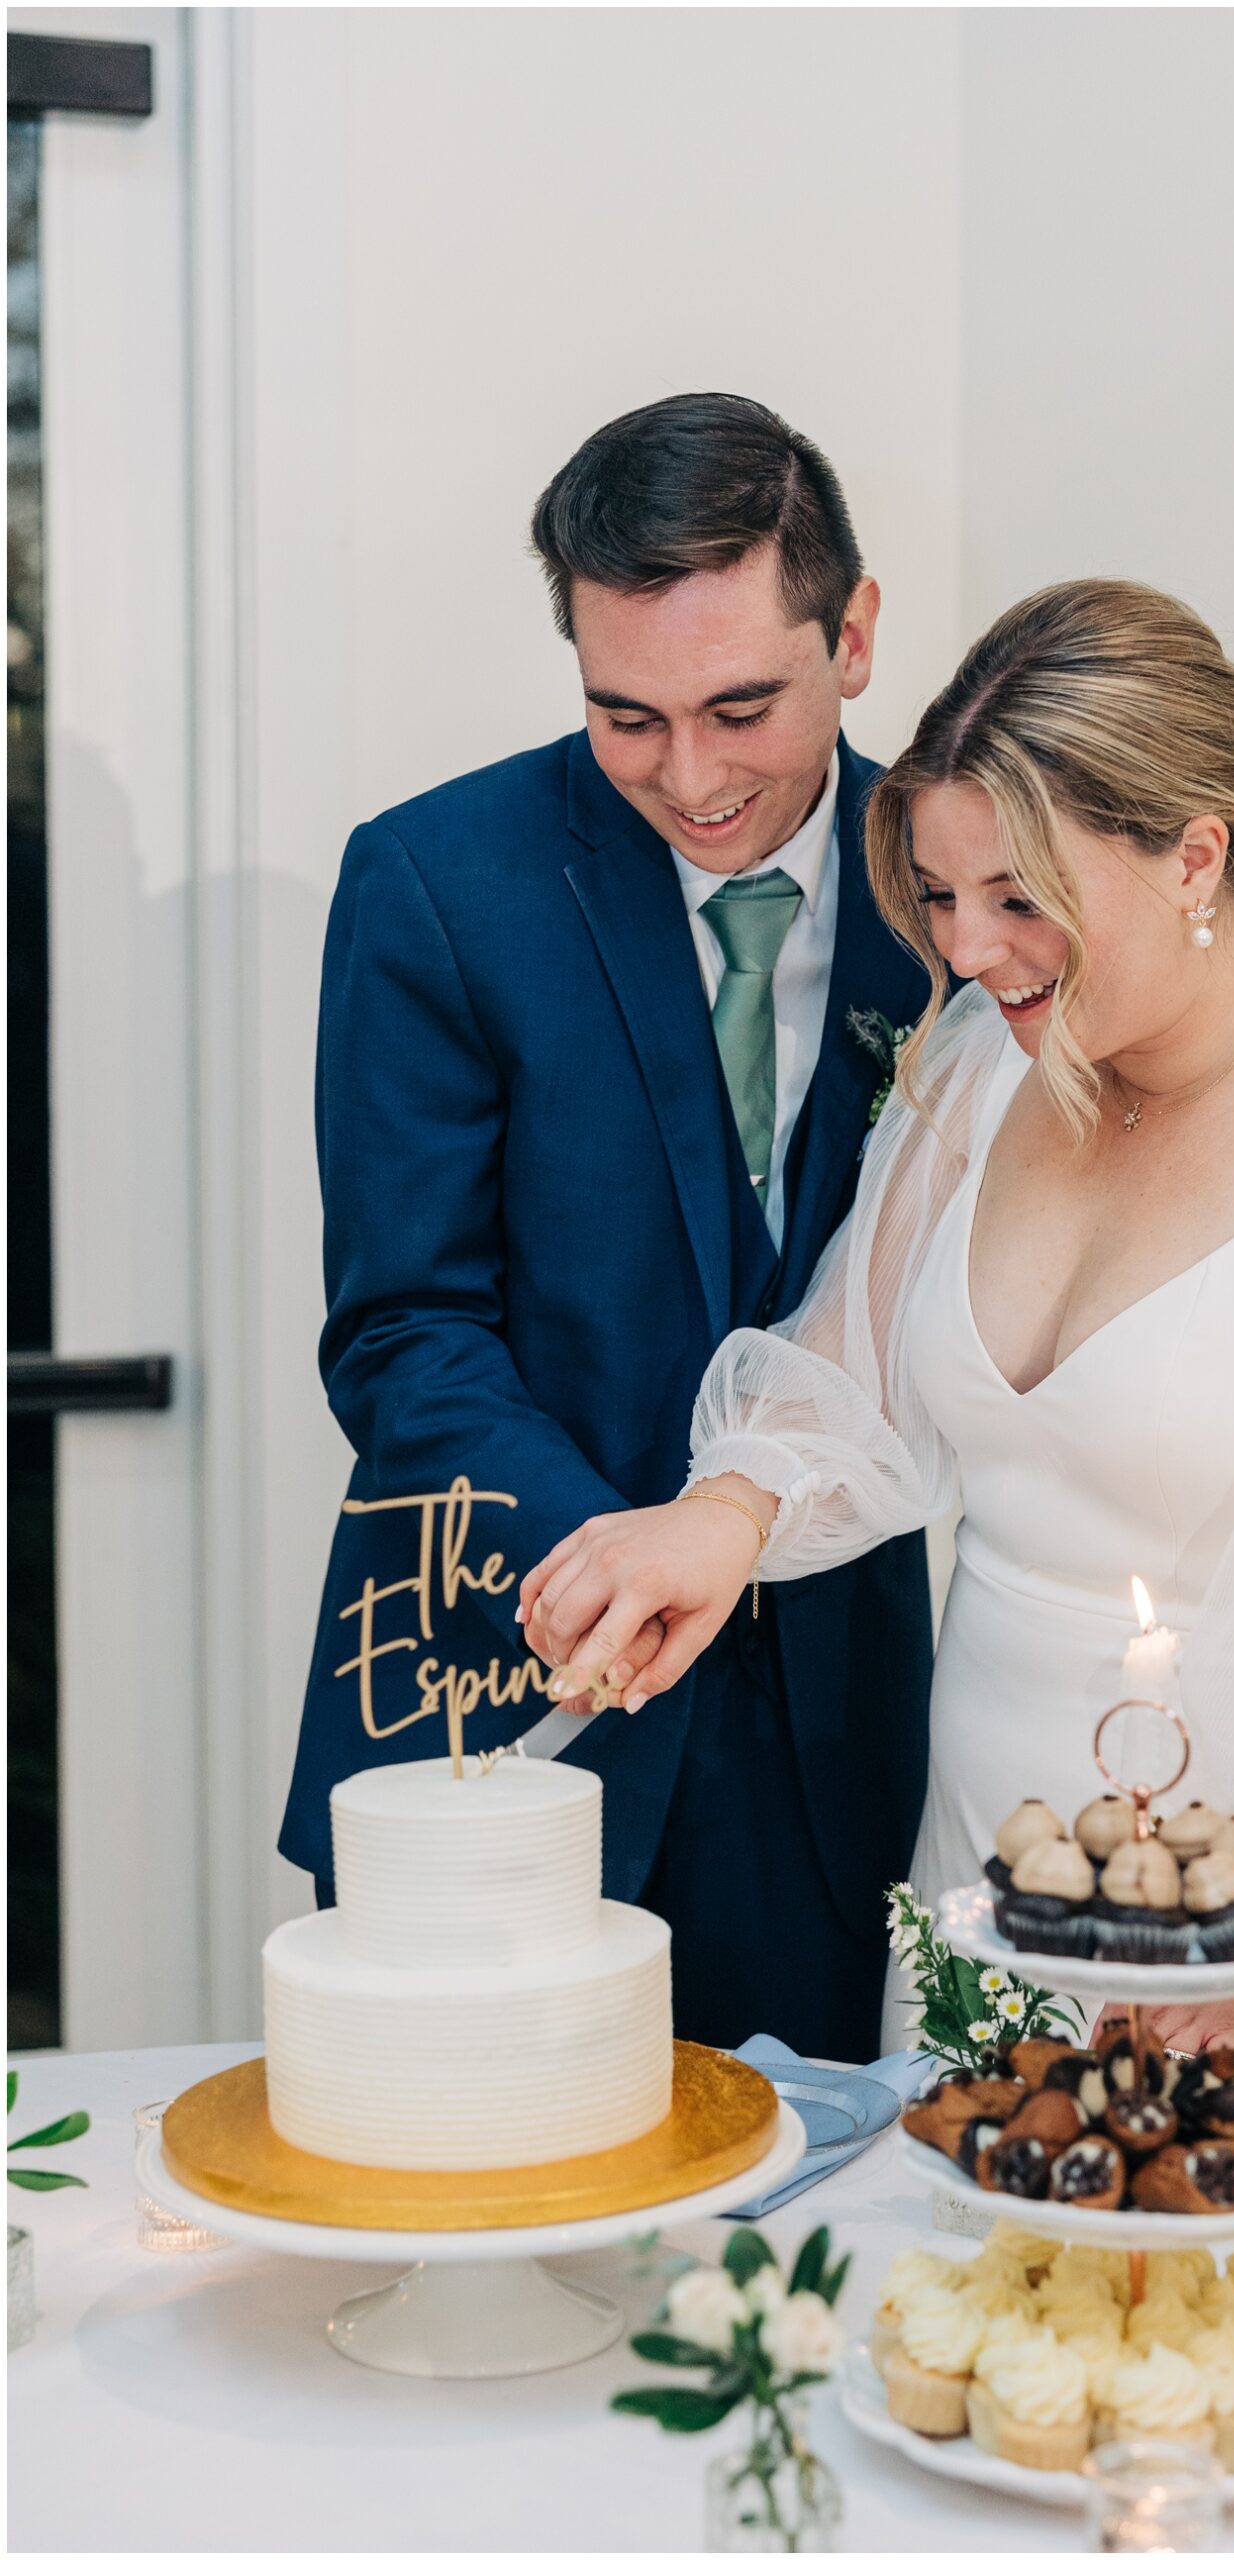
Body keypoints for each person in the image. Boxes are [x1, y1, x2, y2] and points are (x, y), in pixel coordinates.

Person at [520, 578, 1234, 2227]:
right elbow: (849, 1370)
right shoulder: (986, 1067)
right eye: (946, 897)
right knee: (958, 2353)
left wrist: (1227, 1914)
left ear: (1192, 852)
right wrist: (719, 1518)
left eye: (1017, 897)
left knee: (1203, 2403)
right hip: (984, 1868)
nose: (967, 951)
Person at [279, 394, 934, 2063]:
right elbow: (402, 1329)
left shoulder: (960, 900)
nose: (692, 778)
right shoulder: (438, 881)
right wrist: (612, 1567)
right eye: (625, 716)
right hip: (513, 1707)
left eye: (741, 707)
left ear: (852, 636)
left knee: (810, 2273)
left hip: (859, 1726)